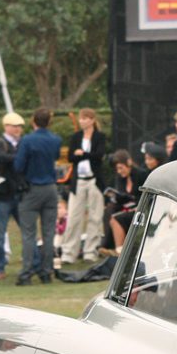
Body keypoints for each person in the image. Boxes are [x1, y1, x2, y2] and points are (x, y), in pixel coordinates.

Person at [13, 106, 62, 285]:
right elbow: (56, 157)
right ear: (49, 122)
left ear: (33, 121)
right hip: (50, 188)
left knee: (28, 233)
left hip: (32, 188)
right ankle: (46, 272)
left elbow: (18, 165)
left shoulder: (27, 140)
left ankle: (26, 272)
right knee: (49, 233)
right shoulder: (55, 139)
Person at [61, 108, 107, 264]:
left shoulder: (99, 137)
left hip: (94, 180)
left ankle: (90, 251)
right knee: (74, 216)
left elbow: (99, 155)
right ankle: (68, 253)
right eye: (80, 118)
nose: (82, 121)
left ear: (92, 120)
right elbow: (71, 157)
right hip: (78, 180)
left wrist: (84, 154)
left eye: (85, 118)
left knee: (95, 217)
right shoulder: (76, 137)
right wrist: (78, 155)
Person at [0, 112, 26, 279]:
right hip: (3, 195)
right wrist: (19, 158)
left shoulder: (22, 143)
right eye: (15, 126)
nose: (18, 129)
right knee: (0, 233)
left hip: (18, 193)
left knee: (27, 231)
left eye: (20, 126)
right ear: (6, 127)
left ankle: (29, 263)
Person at [102, 149, 149, 254]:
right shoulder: (120, 178)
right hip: (127, 206)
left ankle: (119, 250)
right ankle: (108, 245)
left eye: (121, 168)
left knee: (115, 219)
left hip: (141, 208)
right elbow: (122, 196)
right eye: (117, 169)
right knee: (109, 209)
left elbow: (144, 196)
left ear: (128, 163)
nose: (119, 171)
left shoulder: (141, 175)